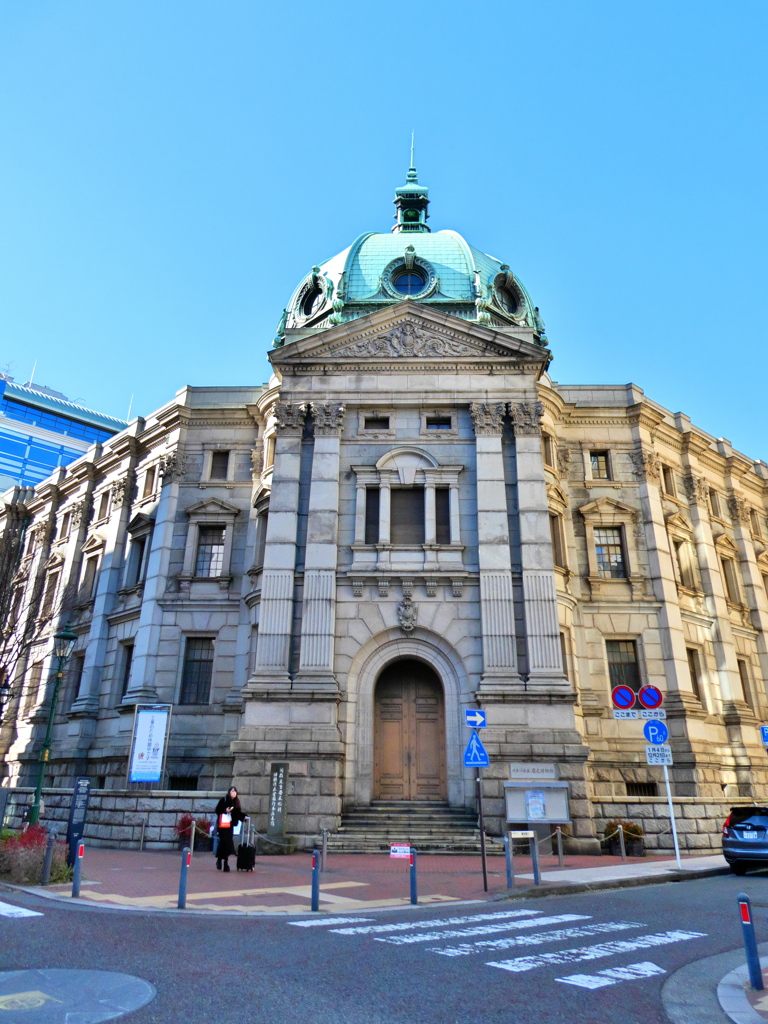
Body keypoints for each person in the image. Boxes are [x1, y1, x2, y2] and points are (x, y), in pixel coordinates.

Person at [214, 786, 244, 872]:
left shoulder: (236, 803)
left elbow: (238, 814)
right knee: (223, 842)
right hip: (222, 825)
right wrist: (225, 810)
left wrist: (243, 817)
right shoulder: (223, 800)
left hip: (230, 826)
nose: (234, 793)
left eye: (235, 791)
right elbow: (217, 810)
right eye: (232, 791)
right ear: (229, 792)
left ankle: (225, 862)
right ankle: (220, 860)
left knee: (228, 843)